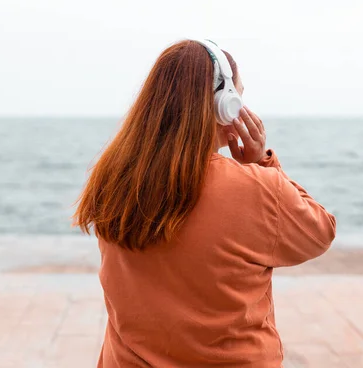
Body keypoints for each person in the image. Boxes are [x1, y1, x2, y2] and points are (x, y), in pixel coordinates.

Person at [73, 39, 336, 367]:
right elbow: (319, 233)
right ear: (224, 105)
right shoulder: (254, 188)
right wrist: (262, 164)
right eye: (239, 95)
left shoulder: (113, 177)